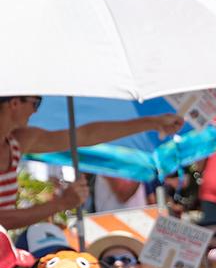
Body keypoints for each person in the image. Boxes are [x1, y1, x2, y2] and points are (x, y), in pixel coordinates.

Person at [0, 95, 171, 228]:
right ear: (14, 103)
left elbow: (85, 135)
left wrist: (152, 123)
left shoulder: (17, 142)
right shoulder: (19, 141)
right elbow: (3, 220)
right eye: (36, 103)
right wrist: (61, 203)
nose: (36, 111)